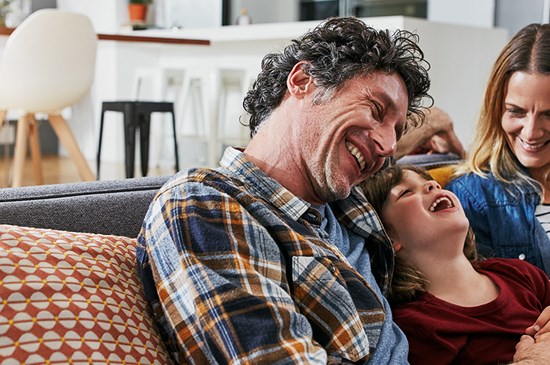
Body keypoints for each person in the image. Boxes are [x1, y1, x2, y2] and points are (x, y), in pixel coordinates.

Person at [137, 17, 432, 364]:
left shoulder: (349, 205)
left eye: (396, 134)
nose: (386, 146)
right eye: (376, 110)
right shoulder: (205, 204)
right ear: (303, 80)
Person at [361, 164, 550, 365]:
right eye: (406, 192)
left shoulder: (518, 272)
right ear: (387, 239)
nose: (433, 185)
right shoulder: (413, 327)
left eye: (431, 183)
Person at [445, 23, 550, 275]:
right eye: (516, 111)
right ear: (496, 110)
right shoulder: (472, 197)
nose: (531, 131)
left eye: (549, 114)